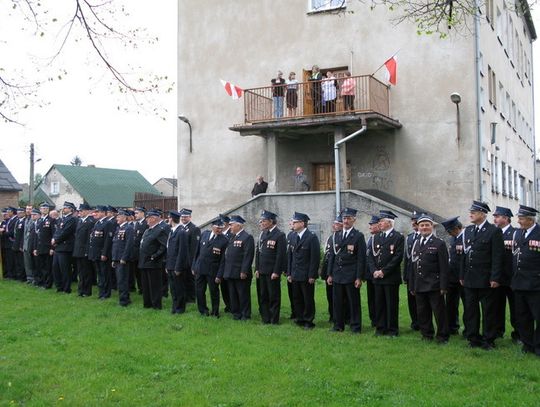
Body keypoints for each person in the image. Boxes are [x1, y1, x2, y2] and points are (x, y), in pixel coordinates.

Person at [460, 200, 504, 350]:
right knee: (471, 310)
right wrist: (462, 275)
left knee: (488, 311)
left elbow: (498, 257)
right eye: (470, 212)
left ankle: (488, 339)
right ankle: (473, 338)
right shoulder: (469, 230)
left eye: (474, 212)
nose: (470, 214)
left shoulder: (494, 231)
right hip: (470, 278)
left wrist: (495, 277)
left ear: (482, 214)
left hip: (486, 278)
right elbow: (464, 256)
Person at [409, 214, 450, 344]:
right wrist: (412, 285)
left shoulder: (439, 243)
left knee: (439, 312)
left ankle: (442, 336)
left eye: (427, 225)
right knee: (422, 312)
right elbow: (412, 266)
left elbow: (444, 267)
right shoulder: (416, 243)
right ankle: (426, 334)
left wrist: (443, 286)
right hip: (419, 284)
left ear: (432, 227)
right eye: (422, 225)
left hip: (434, 284)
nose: (424, 227)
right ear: (418, 227)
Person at [327, 208, 366, 333]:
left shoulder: (358, 236)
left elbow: (361, 258)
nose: (346, 221)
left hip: (351, 274)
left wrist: (359, 277)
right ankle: (338, 325)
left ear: (354, 220)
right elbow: (332, 256)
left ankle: (355, 326)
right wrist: (330, 274)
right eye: (344, 218)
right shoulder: (336, 235)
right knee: (337, 302)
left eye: (349, 218)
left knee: (353, 302)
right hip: (337, 274)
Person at [368, 210, 404, 337]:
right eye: (379, 221)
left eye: (382, 221)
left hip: (390, 277)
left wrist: (384, 271)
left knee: (391, 304)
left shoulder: (398, 237)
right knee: (379, 303)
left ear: (389, 223)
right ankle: (380, 328)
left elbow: (397, 258)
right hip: (377, 277)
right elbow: (371, 257)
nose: (379, 223)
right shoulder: (376, 237)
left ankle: (392, 330)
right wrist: (374, 271)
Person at [511, 205, 540, 357]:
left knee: (538, 316)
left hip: (536, 284)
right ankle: (527, 345)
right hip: (519, 283)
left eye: (521, 219)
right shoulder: (518, 233)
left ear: (530, 220)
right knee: (522, 317)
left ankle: (538, 346)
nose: (519, 221)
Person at [287, 212, 320, 330]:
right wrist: (289, 273)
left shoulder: (311, 237)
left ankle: (308, 320)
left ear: (302, 223)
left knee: (307, 298)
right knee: (297, 297)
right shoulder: (293, 236)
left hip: (306, 274)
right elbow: (290, 256)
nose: (293, 224)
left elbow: (314, 258)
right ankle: (300, 318)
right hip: (295, 273)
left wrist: (312, 275)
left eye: (295, 222)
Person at [218, 215, 255, 320]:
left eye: (231, 225)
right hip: (230, 271)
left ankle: (245, 314)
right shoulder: (232, 237)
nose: (230, 227)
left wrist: (244, 271)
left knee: (243, 294)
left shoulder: (247, 237)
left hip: (240, 272)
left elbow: (248, 256)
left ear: (238, 225)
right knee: (233, 294)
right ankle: (236, 313)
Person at [492, 206, 519, 341]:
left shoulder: (515, 233)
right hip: (498, 278)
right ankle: (498, 331)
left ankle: (518, 334)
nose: (495, 219)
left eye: (497, 216)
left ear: (506, 218)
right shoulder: (493, 233)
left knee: (516, 308)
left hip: (512, 278)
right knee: (497, 307)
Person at [255, 210, 286, 324]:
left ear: (271, 221)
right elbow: (258, 252)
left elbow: (280, 255)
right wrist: (257, 268)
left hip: (272, 272)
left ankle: (274, 319)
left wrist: (276, 271)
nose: (261, 223)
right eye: (261, 221)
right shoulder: (263, 233)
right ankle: (265, 318)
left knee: (273, 296)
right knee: (263, 296)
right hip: (262, 270)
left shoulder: (279, 235)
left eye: (264, 221)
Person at [193, 217, 228, 317]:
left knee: (214, 292)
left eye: (221, 228)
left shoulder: (224, 240)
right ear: (212, 226)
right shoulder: (204, 234)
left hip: (213, 271)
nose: (219, 230)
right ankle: (203, 310)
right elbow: (197, 252)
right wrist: (194, 266)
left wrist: (219, 275)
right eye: (217, 228)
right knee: (199, 291)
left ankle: (215, 312)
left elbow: (223, 260)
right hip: (200, 268)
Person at [139, 209, 169, 310]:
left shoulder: (160, 230)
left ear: (153, 219)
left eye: (148, 218)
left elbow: (164, 246)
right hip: (144, 261)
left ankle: (156, 305)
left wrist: (154, 256)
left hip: (153, 262)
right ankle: (147, 304)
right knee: (145, 284)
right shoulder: (148, 230)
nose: (146, 220)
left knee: (154, 285)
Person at [441, 216, 465, 335]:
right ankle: (452, 327)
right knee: (450, 304)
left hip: (463, 278)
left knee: (468, 305)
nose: (449, 233)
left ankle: (469, 329)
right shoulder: (452, 239)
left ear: (457, 228)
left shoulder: (466, 238)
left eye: (450, 231)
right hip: (452, 277)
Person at [88, 205, 115, 300]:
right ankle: (101, 292)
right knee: (99, 273)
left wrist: (104, 253)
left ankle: (106, 293)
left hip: (103, 254)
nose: (96, 213)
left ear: (103, 212)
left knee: (105, 274)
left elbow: (108, 240)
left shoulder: (108, 223)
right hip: (96, 252)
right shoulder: (97, 223)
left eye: (98, 212)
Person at [320, 215, 343, 323]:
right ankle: (332, 315)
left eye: (337, 224)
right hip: (328, 270)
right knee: (330, 295)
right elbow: (327, 255)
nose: (334, 226)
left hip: (337, 271)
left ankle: (343, 316)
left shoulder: (342, 237)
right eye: (334, 223)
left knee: (340, 297)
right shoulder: (331, 237)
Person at [165, 210, 189, 314]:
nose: (168, 219)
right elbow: (169, 249)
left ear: (172, 218)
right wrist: (167, 265)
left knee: (179, 288)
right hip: (170, 265)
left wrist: (178, 268)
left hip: (177, 266)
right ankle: (174, 307)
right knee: (173, 289)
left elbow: (182, 252)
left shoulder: (181, 232)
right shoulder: (172, 231)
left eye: (169, 218)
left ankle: (180, 308)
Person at [51, 201, 78, 293]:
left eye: (65, 208)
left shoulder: (72, 219)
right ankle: (59, 286)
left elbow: (66, 232)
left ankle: (66, 288)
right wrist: (54, 238)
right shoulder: (61, 219)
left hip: (66, 247)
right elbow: (57, 230)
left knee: (65, 269)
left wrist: (56, 240)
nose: (63, 209)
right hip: (58, 247)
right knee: (56, 267)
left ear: (71, 209)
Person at [111, 209, 135, 307]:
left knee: (122, 280)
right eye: (117, 216)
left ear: (124, 218)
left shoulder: (128, 228)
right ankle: (125, 298)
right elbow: (116, 244)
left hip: (122, 259)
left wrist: (124, 258)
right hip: (117, 258)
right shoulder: (118, 228)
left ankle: (124, 301)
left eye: (119, 217)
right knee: (120, 280)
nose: (117, 218)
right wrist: (113, 259)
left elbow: (129, 244)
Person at [403, 211, 420, 331]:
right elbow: (406, 258)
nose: (413, 223)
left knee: (420, 299)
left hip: (420, 274)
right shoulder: (409, 237)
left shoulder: (424, 236)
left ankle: (422, 321)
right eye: (413, 221)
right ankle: (415, 322)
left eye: (416, 221)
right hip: (410, 274)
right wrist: (405, 275)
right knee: (411, 300)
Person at [73, 203, 95, 297]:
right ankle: (81, 289)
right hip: (78, 250)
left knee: (86, 272)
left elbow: (89, 239)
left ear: (86, 211)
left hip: (85, 251)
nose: (79, 213)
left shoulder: (90, 222)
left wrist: (87, 251)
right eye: (79, 211)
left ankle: (86, 291)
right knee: (80, 272)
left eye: (81, 211)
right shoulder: (80, 221)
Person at [180, 208, 200, 303]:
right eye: (182, 216)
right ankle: (184, 296)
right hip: (181, 259)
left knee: (190, 280)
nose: (183, 218)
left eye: (185, 216)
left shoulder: (194, 228)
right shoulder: (180, 228)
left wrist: (192, 262)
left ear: (190, 217)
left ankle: (191, 298)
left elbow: (194, 247)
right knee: (183, 279)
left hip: (189, 259)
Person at [364, 214, 380, 327]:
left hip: (378, 273)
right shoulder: (370, 238)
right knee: (371, 299)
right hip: (370, 273)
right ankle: (373, 319)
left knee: (378, 298)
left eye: (372, 224)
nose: (370, 226)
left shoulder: (380, 238)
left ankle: (379, 319)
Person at [33, 203, 54, 288]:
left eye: (46, 208)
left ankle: (47, 284)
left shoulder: (51, 220)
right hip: (39, 247)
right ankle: (41, 282)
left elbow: (53, 235)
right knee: (40, 266)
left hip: (47, 247)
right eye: (42, 208)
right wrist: (35, 248)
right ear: (40, 210)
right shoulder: (39, 221)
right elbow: (36, 235)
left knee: (47, 267)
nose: (44, 210)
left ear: (48, 210)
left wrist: (52, 248)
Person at [131, 207, 148, 294]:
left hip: (143, 252)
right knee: (137, 272)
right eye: (135, 213)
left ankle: (144, 288)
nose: (135, 215)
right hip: (135, 252)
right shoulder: (136, 224)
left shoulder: (146, 223)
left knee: (142, 272)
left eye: (137, 213)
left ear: (142, 213)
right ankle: (140, 288)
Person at [23, 205, 37, 284]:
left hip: (31, 244)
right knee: (27, 262)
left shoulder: (34, 220)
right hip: (25, 244)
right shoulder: (26, 219)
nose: (28, 210)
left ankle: (34, 278)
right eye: (27, 209)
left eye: (30, 209)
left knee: (32, 262)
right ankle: (29, 278)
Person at [12, 208, 26, 281]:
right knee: (17, 262)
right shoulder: (17, 221)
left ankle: (22, 277)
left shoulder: (24, 221)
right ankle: (18, 276)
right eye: (18, 212)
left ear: (24, 213)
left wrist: (21, 245)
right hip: (16, 244)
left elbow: (24, 235)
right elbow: (15, 234)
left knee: (21, 262)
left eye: (20, 212)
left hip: (20, 245)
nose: (18, 214)